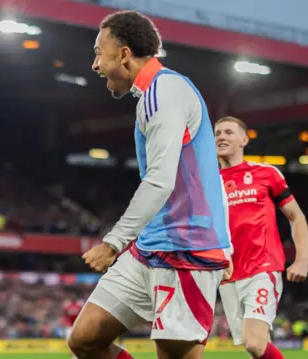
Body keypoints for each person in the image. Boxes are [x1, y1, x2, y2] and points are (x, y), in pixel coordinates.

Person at [68, 10, 232, 359]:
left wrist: (112, 243)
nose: (95, 65)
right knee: (84, 339)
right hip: (149, 246)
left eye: (99, 52)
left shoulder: (164, 92)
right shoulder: (153, 96)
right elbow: (206, 176)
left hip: (186, 250)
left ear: (124, 53)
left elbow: (160, 181)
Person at [215, 116, 308, 359]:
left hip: (262, 268)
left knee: (254, 343)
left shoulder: (266, 173)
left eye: (228, 132)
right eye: (217, 133)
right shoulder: (208, 183)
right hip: (226, 275)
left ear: (244, 140)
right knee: (255, 349)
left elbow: (296, 217)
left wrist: (302, 260)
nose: (221, 137)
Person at [62, 292, 84, 359]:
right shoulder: (67, 306)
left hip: (77, 326)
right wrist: (64, 323)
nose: (73, 298)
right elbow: (64, 315)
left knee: (78, 342)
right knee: (70, 343)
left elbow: (82, 314)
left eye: (74, 297)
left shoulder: (79, 305)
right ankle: (73, 356)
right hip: (69, 326)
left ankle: (77, 355)